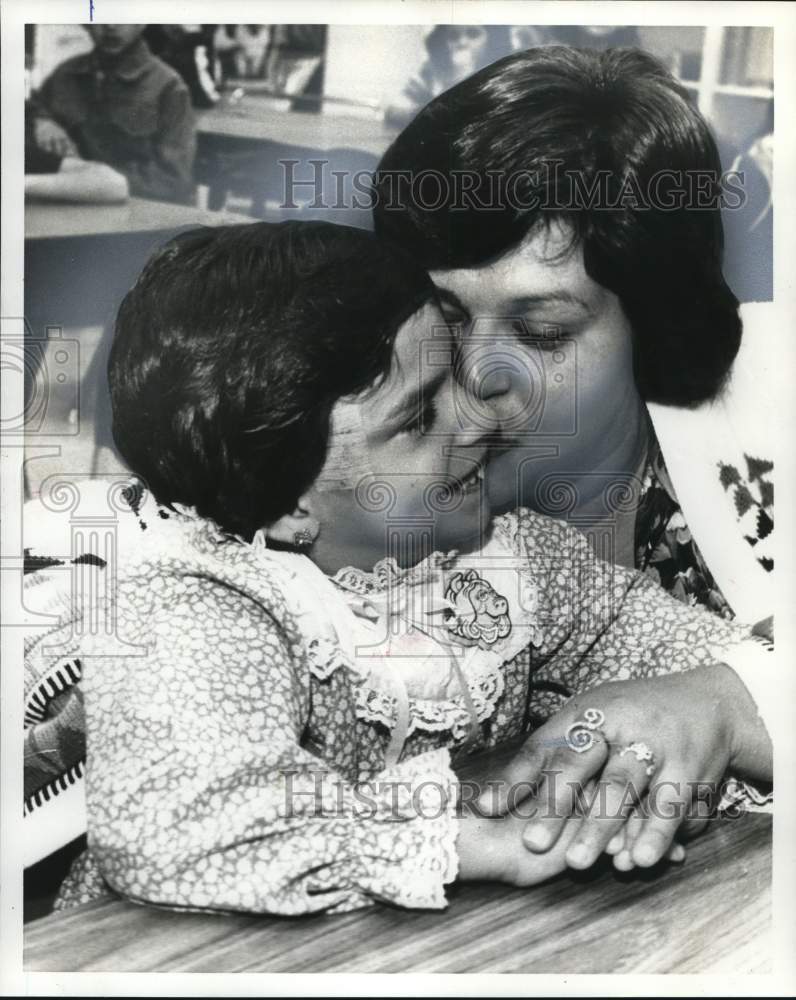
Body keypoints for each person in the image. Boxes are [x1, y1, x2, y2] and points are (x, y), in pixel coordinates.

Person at [24, 221, 771, 915]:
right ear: (289, 508)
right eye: (419, 419)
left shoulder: (514, 560)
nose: (481, 419)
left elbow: (710, 663)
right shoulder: (200, 601)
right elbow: (185, 824)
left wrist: (711, 707)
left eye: (454, 377)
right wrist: (462, 840)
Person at [373, 45, 775, 625]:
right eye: (446, 316)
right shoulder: (349, 496)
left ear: (652, 324)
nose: (475, 372)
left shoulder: (772, 398)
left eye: (541, 333)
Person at [29, 23, 196, 204]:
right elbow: (28, 134)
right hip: (67, 205)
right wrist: (42, 121)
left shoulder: (168, 87)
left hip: (139, 210)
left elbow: (173, 178)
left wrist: (96, 183)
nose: (110, 25)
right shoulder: (64, 75)